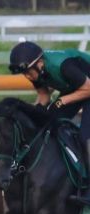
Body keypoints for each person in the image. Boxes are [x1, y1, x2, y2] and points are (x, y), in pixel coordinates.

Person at [9, 41, 90, 205]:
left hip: (87, 86)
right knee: (48, 124)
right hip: (78, 87)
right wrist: (35, 114)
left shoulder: (64, 66)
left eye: (28, 72)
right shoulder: (36, 70)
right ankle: (65, 174)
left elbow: (88, 88)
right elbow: (44, 95)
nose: (27, 76)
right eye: (24, 73)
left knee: (85, 136)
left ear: (39, 63)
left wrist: (62, 101)